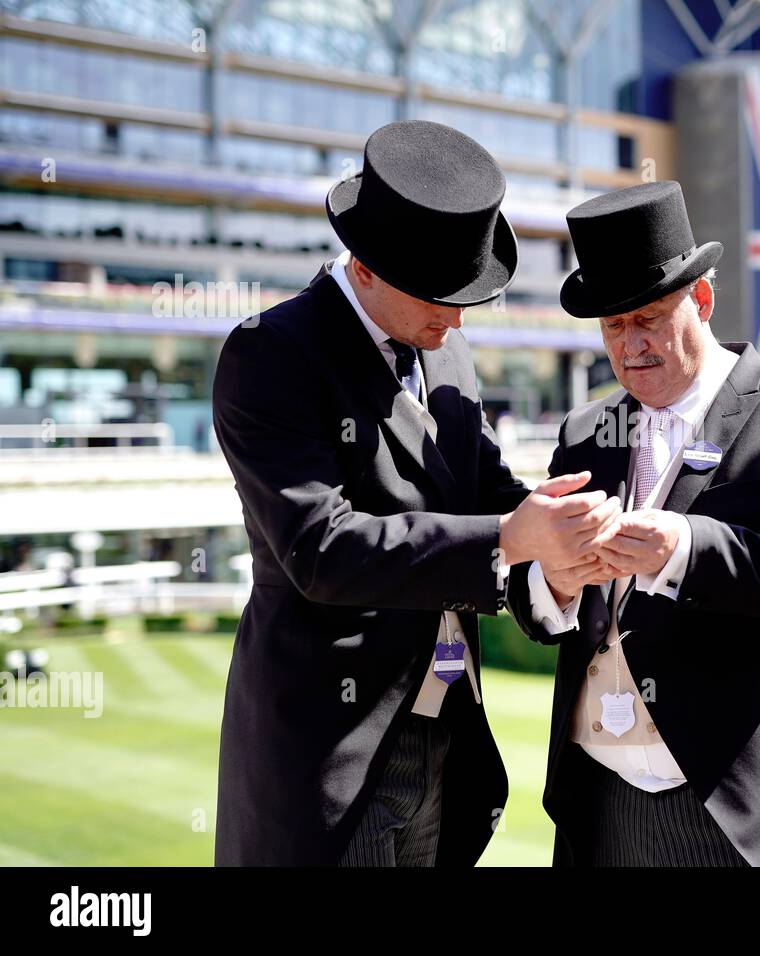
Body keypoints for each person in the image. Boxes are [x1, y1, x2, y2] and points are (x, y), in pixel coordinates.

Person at [212, 120, 619, 866]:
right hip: (330, 756)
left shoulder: (445, 349)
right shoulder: (269, 352)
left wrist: (562, 546)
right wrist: (508, 539)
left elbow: (490, 492)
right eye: (440, 295)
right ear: (364, 268)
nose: (458, 317)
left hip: (445, 739)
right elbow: (321, 548)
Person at [506, 180, 760, 866]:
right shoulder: (585, 431)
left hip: (736, 810)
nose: (631, 344)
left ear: (701, 300)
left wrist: (684, 549)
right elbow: (530, 602)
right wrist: (554, 579)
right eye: (614, 326)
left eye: (649, 318)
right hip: (601, 805)